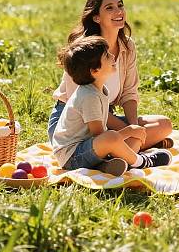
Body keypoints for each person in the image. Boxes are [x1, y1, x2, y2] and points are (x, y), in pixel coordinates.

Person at [48, 0, 173, 150]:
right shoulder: (83, 50)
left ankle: (125, 150)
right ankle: (132, 150)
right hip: (74, 125)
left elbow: (129, 93)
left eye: (120, 5)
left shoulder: (127, 46)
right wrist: (128, 131)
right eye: (109, 8)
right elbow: (80, 101)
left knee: (164, 124)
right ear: (96, 17)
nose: (118, 11)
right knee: (126, 136)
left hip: (107, 118)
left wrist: (134, 128)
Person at [52, 36, 172, 173]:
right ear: (94, 71)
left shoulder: (99, 90)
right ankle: (141, 162)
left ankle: (107, 164)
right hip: (72, 157)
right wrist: (129, 131)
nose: (113, 57)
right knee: (112, 137)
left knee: (115, 137)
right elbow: (100, 136)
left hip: (85, 149)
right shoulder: (89, 96)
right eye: (107, 56)